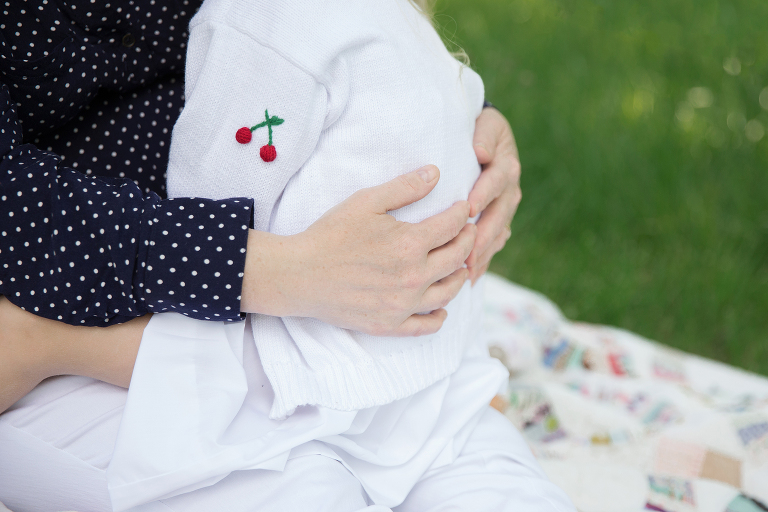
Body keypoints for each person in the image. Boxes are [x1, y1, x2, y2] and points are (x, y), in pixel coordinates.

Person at [4, 0, 573, 510]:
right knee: (309, 486)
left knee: (485, 474)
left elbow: (345, 49)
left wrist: (457, 119)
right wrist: (281, 270)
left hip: (349, 338)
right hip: (87, 312)